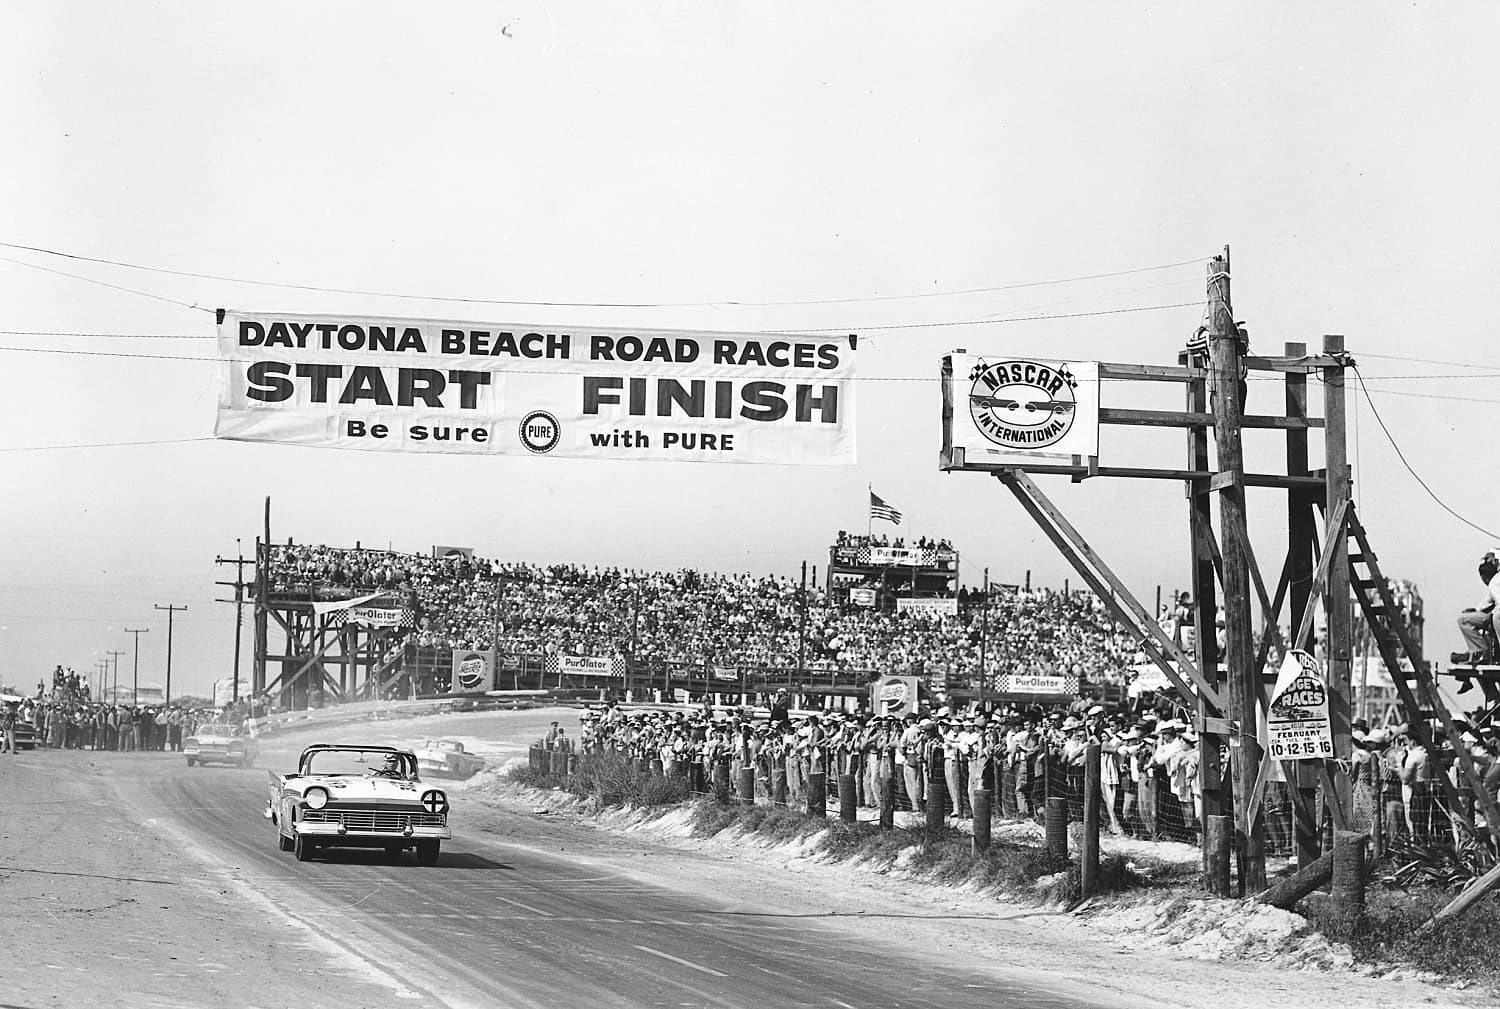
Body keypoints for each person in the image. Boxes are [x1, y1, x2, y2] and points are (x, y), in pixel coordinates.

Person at [1453, 549, 1500, 669]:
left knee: (1463, 620)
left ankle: (1480, 651)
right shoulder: (1495, 582)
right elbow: (1486, 603)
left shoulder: (1495, 581)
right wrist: (1475, 611)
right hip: (1491, 614)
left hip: (1494, 615)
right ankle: (1479, 652)